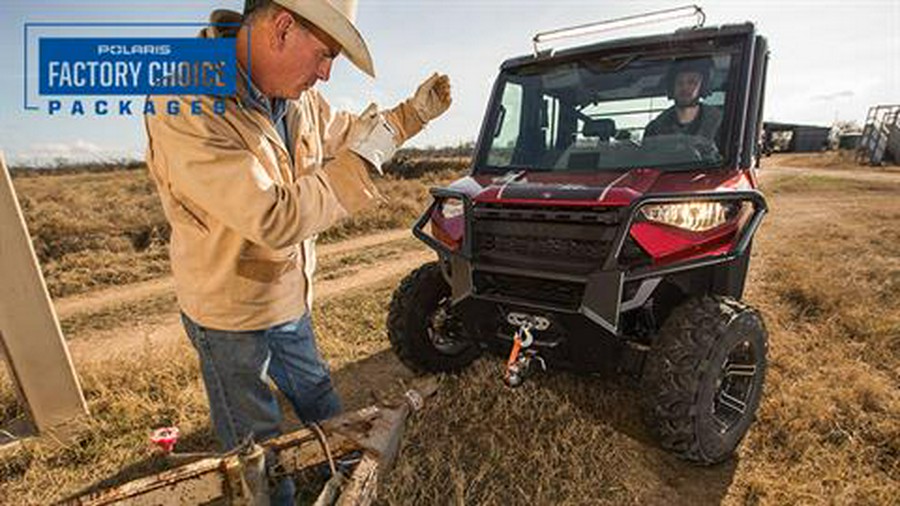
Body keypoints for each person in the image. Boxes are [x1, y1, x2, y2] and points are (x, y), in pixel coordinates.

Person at [143, 0, 451, 501]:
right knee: (257, 444)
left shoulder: (296, 98)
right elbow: (273, 217)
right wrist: (361, 167)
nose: (327, 74)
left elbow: (350, 132)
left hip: (286, 297)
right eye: (325, 54)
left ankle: (347, 476)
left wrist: (410, 116)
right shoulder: (188, 100)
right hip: (228, 313)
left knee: (318, 398)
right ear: (282, 28)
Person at [644, 57, 721, 143]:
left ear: (703, 86)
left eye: (692, 82)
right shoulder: (655, 129)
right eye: (680, 82)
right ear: (672, 87)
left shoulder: (718, 123)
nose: (685, 88)